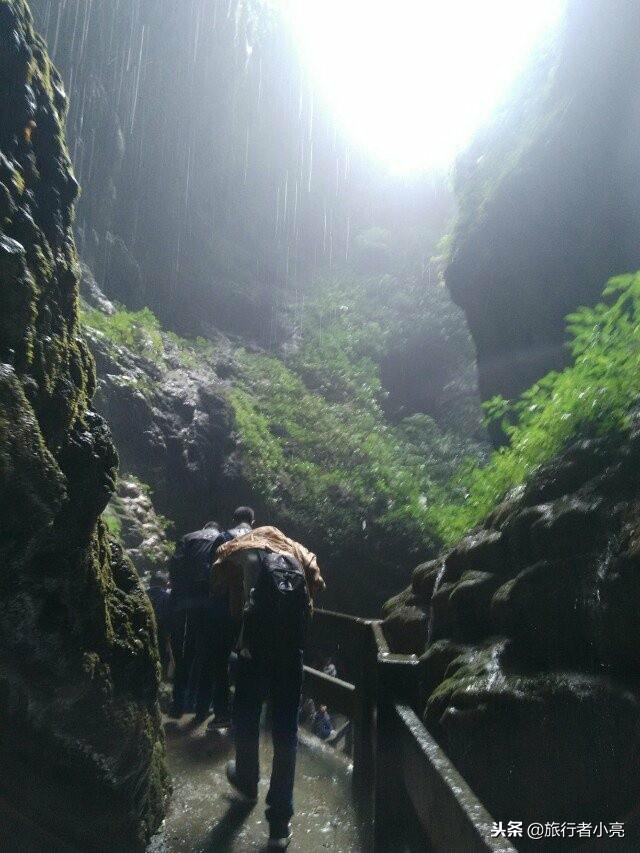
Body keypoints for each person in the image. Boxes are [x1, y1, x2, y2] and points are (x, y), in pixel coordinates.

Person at [213, 526, 325, 849]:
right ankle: (279, 824)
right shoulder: (299, 554)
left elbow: (236, 608)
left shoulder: (245, 550)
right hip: (290, 656)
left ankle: (247, 781)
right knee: (285, 733)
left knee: (246, 718)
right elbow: (313, 597)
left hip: (255, 652)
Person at [169, 508, 255, 722]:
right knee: (227, 657)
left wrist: (178, 595)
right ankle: (227, 713)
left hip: (195, 603)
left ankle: (184, 706)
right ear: (253, 520)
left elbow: (184, 566)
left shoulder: (206, 537)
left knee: (193, 654)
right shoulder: (259, 537)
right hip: (240, 607)